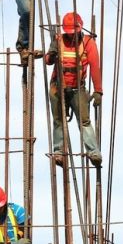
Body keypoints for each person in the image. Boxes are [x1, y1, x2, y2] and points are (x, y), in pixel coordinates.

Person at [44, 12, 103, 167]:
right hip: (58, 87)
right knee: (58, 121)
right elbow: (48, 61)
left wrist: (98, 91)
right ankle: (59, 152)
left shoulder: (88, 43)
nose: (71, 36)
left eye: (73, 33)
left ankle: (93, 152)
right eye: (69, 33)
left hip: (78, 89)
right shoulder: (59, 40)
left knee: (84, 121)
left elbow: (95, 67)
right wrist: (52, 53)